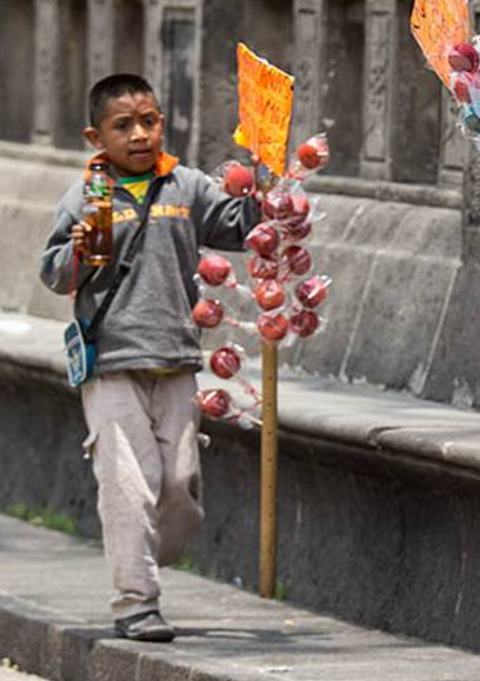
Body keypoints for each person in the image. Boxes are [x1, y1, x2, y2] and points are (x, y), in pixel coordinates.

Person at [39, 74, 259, 642]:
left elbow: (240, 229)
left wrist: (267, 190)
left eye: (150, 121)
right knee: (128, 485)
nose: (140, 134)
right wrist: (87, 245)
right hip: (111, 359)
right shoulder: (88, 195)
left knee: (180, 488)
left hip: (177, 356)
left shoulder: (185, 186)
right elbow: (53, 271)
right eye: (123, 125)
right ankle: (135, 600)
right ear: (97, 135)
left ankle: (136, 551)